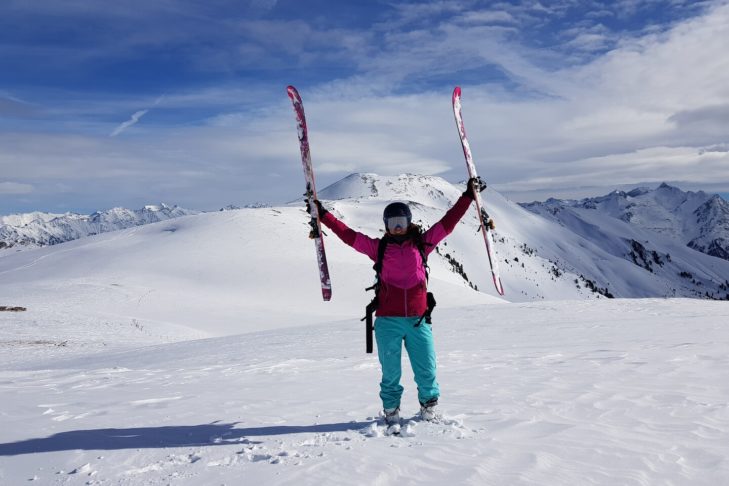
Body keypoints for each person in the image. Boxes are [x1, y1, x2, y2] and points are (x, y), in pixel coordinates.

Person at [309, 177, 487, 426]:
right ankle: (391, 410)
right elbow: (349, 236)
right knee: (391, 373)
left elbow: (448, 223)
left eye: (401, 222)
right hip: (387, 321)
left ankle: (429, 406)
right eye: (392, 223)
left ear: (409, 222)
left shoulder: (422, 244)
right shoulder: (378, 248)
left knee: (426, 369)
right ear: (385, 225)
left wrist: (468, 196)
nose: (398, 227)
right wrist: (323, 215)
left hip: (418, 320)